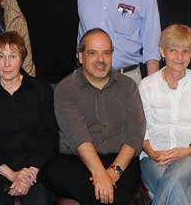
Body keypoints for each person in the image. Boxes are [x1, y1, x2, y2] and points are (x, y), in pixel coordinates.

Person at [42, 28, 146, 205]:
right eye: (93, 53)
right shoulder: (66, 88)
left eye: (106, 53)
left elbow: (135, 134)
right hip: (75, 160)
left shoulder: (128, 86)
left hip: (119, 159)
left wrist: (113, 172)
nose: (101, 60)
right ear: (81, 57)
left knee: (111, 193)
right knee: (94, 190)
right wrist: (99, 175)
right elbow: (78, 136)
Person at [0, 32, 58, 205]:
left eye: (13, 56)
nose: (7, 63)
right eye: (1, 56)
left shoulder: (41, 89)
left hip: (35, 169)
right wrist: (12, 175)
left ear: (22, 58)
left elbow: (50, 137)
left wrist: (29, 174)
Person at [139, 24, 191, 205]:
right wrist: (153, 154)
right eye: (173, 50)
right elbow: (142, 130)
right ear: (162, 52)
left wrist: (187, 150)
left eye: (185, 51)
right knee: (176, 186)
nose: (180, 57)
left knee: (171, 181)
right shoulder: (146, 85)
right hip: (155, 157)